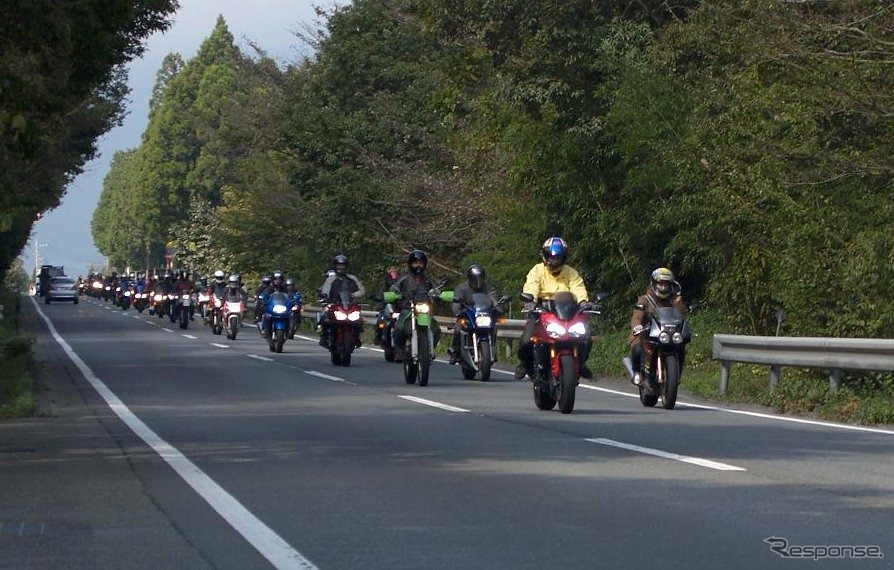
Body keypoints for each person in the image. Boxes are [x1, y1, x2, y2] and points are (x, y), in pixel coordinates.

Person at [514, 237, 594, 380]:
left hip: (567, 312)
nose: (554, 259)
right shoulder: (537, 270)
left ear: (563, 256)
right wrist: (530, 301)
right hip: (542, 310)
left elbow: (578, 287)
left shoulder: (571, 272)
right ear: (545, 255)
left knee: (586, 337)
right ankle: (525, 364)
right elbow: (532, 285)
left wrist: (583, 302)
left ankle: (580, 364)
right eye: (551, 255)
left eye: (557, 256)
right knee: (526, 341)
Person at [628, 267, 685, 392]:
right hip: (646, 334)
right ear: (654, 283)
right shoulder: (645, 299)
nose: (663, 287)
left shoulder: (674, 299)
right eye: (660, 283)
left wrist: (678, 303)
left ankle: (676, 375)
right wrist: (637, 326)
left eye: (666, 284)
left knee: (681, 346)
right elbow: (637, 317)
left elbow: (681, 316)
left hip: (667, 333)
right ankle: (637, 372)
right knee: (637, 347)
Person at [390, 249, 442, 361]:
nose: (418, 265)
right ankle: (399, 350)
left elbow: (437, 290)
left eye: (421, 263)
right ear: (410, 264)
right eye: (415, 263)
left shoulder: (428, 280)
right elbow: (393, 289)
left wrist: (439, 295)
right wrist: (395, 295)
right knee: (399, 328)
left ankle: (429, 349)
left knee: (436, 328)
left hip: (425, 310)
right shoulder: (404, 279)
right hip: (408, 309)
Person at [448, 263, 500, 365]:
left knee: (493, 328)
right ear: (470, 278)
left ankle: (492, 351)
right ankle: (455, 351)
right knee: (458, 328)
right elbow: (456, 301)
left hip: (482, 315)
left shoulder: (488, 288)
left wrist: (497, 308)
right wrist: (457, 310)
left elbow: (493, 298)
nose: (478, 281)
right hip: (467, 315)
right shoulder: (461, 288)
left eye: (480, 278)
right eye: (475, 278)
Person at [318, 255, 366, 348]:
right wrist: (325, 297)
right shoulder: (331, 279)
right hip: (335, 304)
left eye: (343, 265)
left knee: (359, 320)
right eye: (339, 265)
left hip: (349, 305)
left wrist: (353, 295)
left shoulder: (352, 278)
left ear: (346, 266)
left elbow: (362, 290)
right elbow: (325, 291)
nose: (341, 268)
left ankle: (357, 337)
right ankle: (324, 337)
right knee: (326, 319)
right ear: (335, 266)